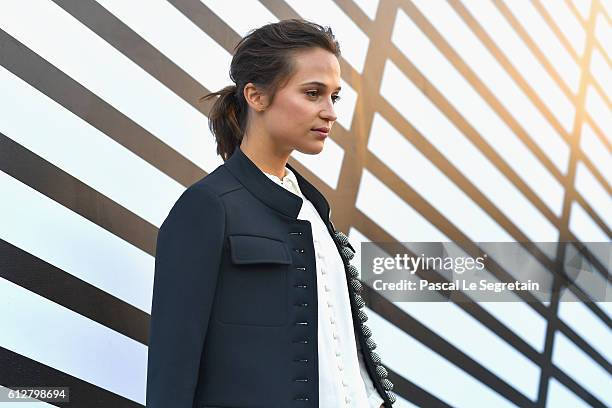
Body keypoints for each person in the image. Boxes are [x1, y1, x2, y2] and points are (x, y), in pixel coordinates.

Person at [146, 18, 396, 408]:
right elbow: (171, 371)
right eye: (313, 93)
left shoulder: (315, 209)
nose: (329, 112)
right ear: (256, 96)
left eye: (334, 97)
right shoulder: (209, 206)